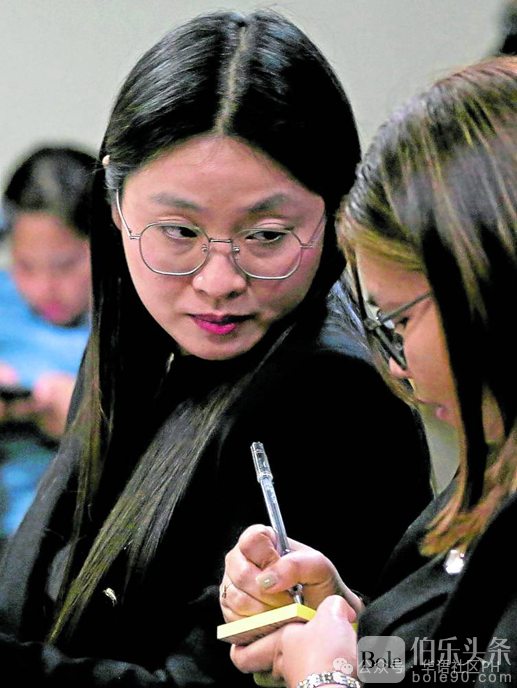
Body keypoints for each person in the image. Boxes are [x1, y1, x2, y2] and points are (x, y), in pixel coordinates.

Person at [0, 11, 431, 687]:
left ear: (334, 211)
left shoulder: (335, 397)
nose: (219, 281)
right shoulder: (137, 337)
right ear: (114, 204)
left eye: (266, 235)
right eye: (178, 232)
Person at [223, 56, 517, 687]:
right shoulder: (495, 464)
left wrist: (325, 681)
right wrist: (356, 633)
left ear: (491, 291)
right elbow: (467, 664)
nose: (396, 364)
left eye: (401, 319)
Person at [0, 145, 93, 548]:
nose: (44, 287)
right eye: (24, 266)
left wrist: (87, 418)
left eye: (65, 265)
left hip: (79, 539)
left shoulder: (135, 321)